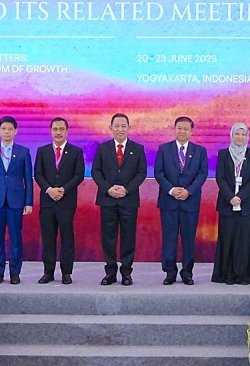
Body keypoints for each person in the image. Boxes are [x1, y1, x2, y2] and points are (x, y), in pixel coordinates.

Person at [91, 113, 147, 286]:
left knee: (128, 237)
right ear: (110, 128)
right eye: (117, 126)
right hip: (107, 200)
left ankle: (126, 273)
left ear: (129, 128)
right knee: (108, 238)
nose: (120, 129)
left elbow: (141, 173)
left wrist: (127, 189)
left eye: (124, 126)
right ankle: (110, 272)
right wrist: (108, 188)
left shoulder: (138, 149)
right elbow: (96, 172)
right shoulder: (103, 148)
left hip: (128, 200)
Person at [154, 116, 208, 285]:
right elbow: (159, 172)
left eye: (186, 129)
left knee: (188, 239)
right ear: (174, 129)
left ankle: (187, 272)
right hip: (168, 202)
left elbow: (202, 174)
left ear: (192, 131)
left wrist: (188, 191)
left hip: (190, 202)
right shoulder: (164, 149)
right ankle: (170, 272)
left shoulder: (200, 151)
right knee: (169, 238)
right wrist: (171, 189)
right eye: (179, 128)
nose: (182, 131)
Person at [0, 116, 33, 285]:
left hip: (16, 201)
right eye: (4, 128)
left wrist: (29, 202)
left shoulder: (24, 152)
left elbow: (28, 179)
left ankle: (15, 273)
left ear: (15, 131)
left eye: (10, 129)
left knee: (16, 238)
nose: (7, 132)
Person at [34, 117, 85, 285]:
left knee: (67, 238)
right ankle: (48, 272)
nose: (58, 132)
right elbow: (38, 174)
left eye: (61, 129)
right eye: (55, 129)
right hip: (48, 201)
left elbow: (79, 175)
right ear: (51, 131)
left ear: (67, 131)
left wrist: (63, 189)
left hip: (66, 202)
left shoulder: (76, 152)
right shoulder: (42, 151)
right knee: (48, 238)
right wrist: (49, 190)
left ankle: (66, 273)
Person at [211, 123, 250, 285]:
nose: (240, 137)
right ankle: (227, 274)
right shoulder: (223, 154)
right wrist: (230, 197)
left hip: (246, 205)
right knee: (228, 239)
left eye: (243, 134)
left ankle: (244, 275)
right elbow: (220, 177)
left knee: (244, 240)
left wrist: (240, 196)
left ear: (247, 136)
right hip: (227, 205)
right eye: (237, 134)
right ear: (231, 135)